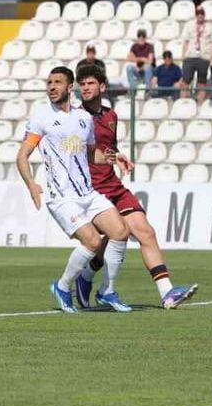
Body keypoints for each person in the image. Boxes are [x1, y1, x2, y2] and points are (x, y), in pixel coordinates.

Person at [72, 65, 198, 310]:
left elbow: (109, 148)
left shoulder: (111, 116)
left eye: (90, 83)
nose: (85, 88)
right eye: (82, 84)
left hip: (113, 185)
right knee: (108, 239)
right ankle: (88, 278)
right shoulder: (76, 119)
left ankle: (167, 292)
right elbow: (73, 153)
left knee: (145, 232)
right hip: (91, 190)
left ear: (102, 87)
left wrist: (118, 156)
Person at [15, 66, 132, 314]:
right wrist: (31, 184)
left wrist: (115, 158)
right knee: (91, 241)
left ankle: (107, 290)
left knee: (120, 231)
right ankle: (62, 286)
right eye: (49, 82)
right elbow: (22, 155)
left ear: (70, 88)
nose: (52, 86)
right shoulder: (41, 117)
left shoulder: (84, 118)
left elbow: (90, 154)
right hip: (62, 197)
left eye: (58, 82)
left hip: (87, 193)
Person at [179, 5, 212, 102]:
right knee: (185, 81)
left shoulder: (210, 27)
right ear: (196, 15)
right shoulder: (189, 25)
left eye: (202, 14)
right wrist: (183, 55)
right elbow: (186, 41)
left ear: (204, 15)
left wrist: (211, 57)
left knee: (201, 82)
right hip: (190, 56)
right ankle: (183, 103)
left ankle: (200, 104)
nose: (200, 16)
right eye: (198, 14)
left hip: (203, 57)